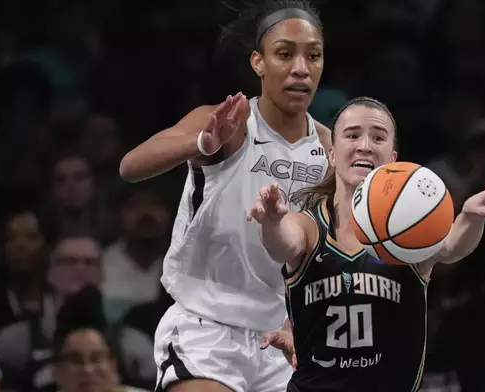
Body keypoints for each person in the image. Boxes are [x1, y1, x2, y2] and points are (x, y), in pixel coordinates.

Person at [247, 97, 485, 392]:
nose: (365, 145)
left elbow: (451, 247)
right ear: (332, 154)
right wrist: (270, 221)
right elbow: (283, 244)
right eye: (352, 135)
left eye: (378, 137)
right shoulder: (308, 226)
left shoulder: (409, 231)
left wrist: (471, 218)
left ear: (392, 158)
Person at [118, 1, 331, 391]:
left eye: (313, 56)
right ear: (258, 62)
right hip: (206, 329)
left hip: (280, 338)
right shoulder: (229, 122)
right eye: (284, 54)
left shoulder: (328, 150)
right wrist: (199, 142)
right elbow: (131, 166)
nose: (301, 68)